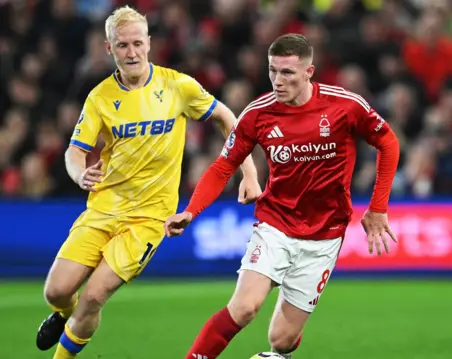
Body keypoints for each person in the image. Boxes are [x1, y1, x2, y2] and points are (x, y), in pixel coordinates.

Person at [35, 6, 262, 359]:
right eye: (122, 45)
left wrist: (248, 171)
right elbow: (74, 151)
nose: (132, 52)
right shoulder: (100, 97)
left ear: (149, 43)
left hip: (149, 218)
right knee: (56, 292)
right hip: (102, 209)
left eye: (138, 43)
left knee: (94, 297)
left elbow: (226, 117)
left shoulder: (177, 86)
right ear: (110, 49)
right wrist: (80, 173)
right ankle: (64, 313)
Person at [165, 33, 400, 359]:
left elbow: (388, 143)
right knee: (244, 308)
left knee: (281, 340)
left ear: (309, 72)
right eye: (273, 70)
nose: (277, 80)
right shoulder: (257, 113)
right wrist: (190, 211)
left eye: (287, 72)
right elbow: (223, 167)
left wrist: (377, 208)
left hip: (325, 234)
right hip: (275, 223)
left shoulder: (344, 106)